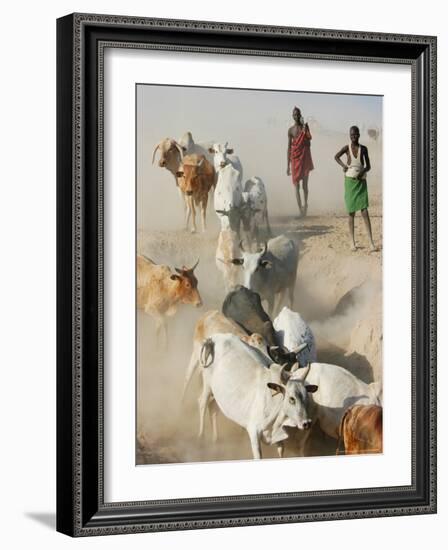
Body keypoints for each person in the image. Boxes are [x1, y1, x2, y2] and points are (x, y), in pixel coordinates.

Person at [335, 126, 377, 252]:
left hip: (361, 181)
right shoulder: (346, 148)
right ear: (349, 135)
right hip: (349, 182)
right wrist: (343, 166)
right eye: (352, 134)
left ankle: (371, 242)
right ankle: (352, 242)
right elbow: (336, 156)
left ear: (359, 135)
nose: (354, 136)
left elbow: (368, 166)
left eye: (356, 134)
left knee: (364, 211)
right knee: (351, 212)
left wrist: (362, 171)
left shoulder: (364, 149)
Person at [287, 107, 314, 217]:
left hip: (304, 158)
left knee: (305, 186)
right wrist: (287, 165)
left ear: (300, 115)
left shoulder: (305, 127)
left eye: (298, 114)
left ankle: (305, 205)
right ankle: (300, 210)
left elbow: (309, 141)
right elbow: (288, 148)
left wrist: (305, 128)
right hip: (294, 159)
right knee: (296, 185)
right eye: (295, 114)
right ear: (292, 116)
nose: (296, 116)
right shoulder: (290, 130)